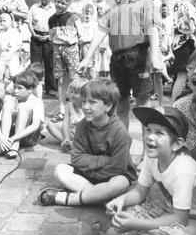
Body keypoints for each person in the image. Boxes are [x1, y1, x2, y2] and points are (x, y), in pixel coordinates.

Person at [105, 107, 196, 235]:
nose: (150, 136)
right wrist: (120, 200)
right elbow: (139, 192)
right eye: (148, 130)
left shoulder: (183, 170)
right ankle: (139, 233)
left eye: (159, 133)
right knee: (117, 224)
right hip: (168, 208)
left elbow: (181, 219)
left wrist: (137, 224)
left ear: (176, 144)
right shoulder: (153, 156)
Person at [78, 0, 161, 130]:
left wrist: (156, 58)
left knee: (143, 105)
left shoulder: (147, 3)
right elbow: (102, 30)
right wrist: (87, 57)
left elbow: (152, 29)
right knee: (119, 104)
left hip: (139, 56)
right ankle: (121, 148)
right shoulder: (115, 6)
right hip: (117, 59)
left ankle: (146, 155)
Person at [38, 78, 137, 206]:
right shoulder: (82, 126)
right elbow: (77, 158)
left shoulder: (119, 131)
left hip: (114, 176)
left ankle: (67, 199)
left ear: (108, 105)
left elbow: (117, 168)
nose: (85, 107)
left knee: (119, 184)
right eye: (84, 101)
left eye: (92, 102)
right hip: (90, 176)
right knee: (60, 170)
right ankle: (99, 196)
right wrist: (104, 160)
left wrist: (92, 170)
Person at [0, 70, 45, 159]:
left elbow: (35, 125)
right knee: (8, 104)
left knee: (22, 106)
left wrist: (13, 139)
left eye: (19, 88)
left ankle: (15, 146)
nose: (15, 91)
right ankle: (3, 147)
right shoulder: (11, 99)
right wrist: (1, 138)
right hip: (8, 138)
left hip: (29, 137)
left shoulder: (36, 102)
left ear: (30, 89)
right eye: (14, 87)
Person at [48, 0, 82, 120]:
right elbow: (51, 37)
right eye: (58, 2)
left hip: (71, 48)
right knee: (60, 79)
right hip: (57, 49)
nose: (60, 5)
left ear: (68, 4)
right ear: (54, 1)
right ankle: (61, 109)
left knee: (74, 78)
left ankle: (78, 106)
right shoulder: (51, 19)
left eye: (64, 3)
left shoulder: (72, 16)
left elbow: (81, 34)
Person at [171, 0, 196, 103]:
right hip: (184, 43)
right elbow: (194, 28)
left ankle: (183, 101)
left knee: (186, 74)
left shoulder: (177, 5)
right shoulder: (188, 6)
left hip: (178, 42)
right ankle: (174, 103)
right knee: (182, 75)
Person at [46, 77, 88, 151]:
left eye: (76, 93)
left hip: (84, 137)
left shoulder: (87, 107)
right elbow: (65, 124)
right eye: (71, 92)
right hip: (72, 133)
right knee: (50, 124)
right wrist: (66, 138)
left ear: (84, 95)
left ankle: (76, 146)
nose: (72, 95)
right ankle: (68, 143)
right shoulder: (69, 106)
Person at [27, 0, 56, 95]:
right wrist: (34, 35)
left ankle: (50, 88)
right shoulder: (34, 7)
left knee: (50, 65)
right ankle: (34, 87)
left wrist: (49, 36)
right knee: (35, 64)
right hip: (36, 38)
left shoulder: (54, 8)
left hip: (50, 39)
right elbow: (29, 23)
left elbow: (57, 26)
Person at [0, 12, 22, 81]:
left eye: (4, 21)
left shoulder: (15, 32)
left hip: (12, 56)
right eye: (1, 21)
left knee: (14, 74)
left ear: (10, 22)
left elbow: (19, 45)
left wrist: (13, 52)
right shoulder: (1, 34)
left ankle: (14, 87)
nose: (2, 22)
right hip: (3, 56)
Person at [79, 3, 98, 79]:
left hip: (90, 47)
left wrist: (85, 39)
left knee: (90, 67)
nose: (86, 16)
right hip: (82, 47)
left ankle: (93, 82)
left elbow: (95, 37)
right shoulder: (82, 24)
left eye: (88, 14)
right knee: (83, 67)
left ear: (92, 15)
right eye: (84, 14)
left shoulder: (94, 24)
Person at [95, 1, 111, 78]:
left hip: (107, 46)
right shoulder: (96, 22)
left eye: (101, 9)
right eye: (98, 9)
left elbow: (108, 34)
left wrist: (105, 45)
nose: (98, 11)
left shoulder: (109, 21)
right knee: (99, 66)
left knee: (106, 64)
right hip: (98, 46)